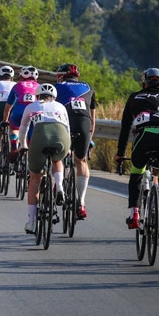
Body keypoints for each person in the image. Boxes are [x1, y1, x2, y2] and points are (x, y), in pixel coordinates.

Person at [115, 68, 159, 236]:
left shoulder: (134, 96)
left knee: (136, 174)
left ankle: (134, 215)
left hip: (144, 137)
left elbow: (125, 129)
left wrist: (120, 153)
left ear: (144, 82)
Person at [18, 83, 71, 234]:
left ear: (37, 95)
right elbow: (67, 128)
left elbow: (23, 129)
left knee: (35, 178)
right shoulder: (61, 106)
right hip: (61, 137)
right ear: (54, 97)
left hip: (40, 137)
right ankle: (59, 186)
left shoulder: (31, 106)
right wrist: (68, 149)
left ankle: (31, 222)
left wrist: (22, 145)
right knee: (57, 160)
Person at [53, 63, 97, 219]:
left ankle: (59, 187)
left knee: (58, 157)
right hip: (84, 123)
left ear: (62, 75)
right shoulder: (88, 87)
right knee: (81, 160)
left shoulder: (56, 87)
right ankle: (82, 203)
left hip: (66, 122)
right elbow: (92, 120)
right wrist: (89, 140)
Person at [2, 65, 40, 171]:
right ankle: (29, 163)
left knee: (14, 128)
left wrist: (5, 120)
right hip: (34, 111)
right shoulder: (40, 86)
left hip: (19, 110)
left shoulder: (17, 85)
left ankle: (14, 143)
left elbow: (8, 107)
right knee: (31, 137)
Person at [0, 65, 15, 177]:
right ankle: (15, 159)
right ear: (12, 77)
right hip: (12, 107)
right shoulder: (15, 85)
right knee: (14, 131)